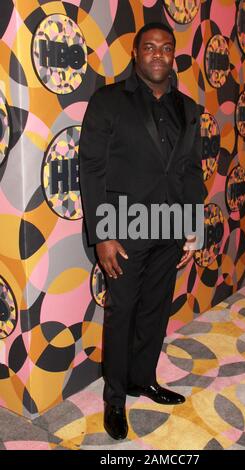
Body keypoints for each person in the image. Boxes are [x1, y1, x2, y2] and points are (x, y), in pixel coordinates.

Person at [79, 22, 206, 440]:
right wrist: (103, 235)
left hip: (169, 230)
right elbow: (92, 171)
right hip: (123, 230)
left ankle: (143, 379)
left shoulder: (188, 108)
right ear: (136, 55)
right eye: (149, 48)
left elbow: (190, 172)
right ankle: (115, 398)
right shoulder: (108, 101)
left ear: (173, 56)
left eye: (166, 48)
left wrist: (192, 227)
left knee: (154, 311)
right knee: (121, 315)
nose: (158, 55)